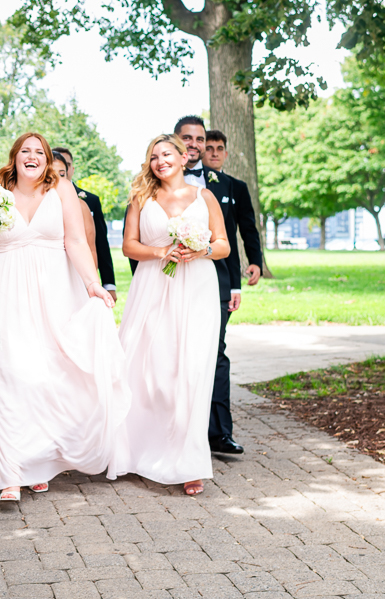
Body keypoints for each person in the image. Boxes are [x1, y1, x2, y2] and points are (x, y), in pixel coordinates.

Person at [0, 132, 128, 502]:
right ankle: (9, 473)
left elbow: (75, 241)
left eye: (39, 152)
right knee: (6, 378)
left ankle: (40, 462)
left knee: (48, 378)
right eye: (25, 151)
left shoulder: (62, 191)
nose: (32, 157)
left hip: (54, 295)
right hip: (4, 294)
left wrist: (93, 283)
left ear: (48, 161)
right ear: (13, 158)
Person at [116, 133, 230, 496]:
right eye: (153, 157)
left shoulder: (204, 196)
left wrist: (201, 249)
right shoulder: (141, 197)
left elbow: (224, 244)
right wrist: (161, 253)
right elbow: (129, 247)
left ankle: (189, 462)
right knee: (152, 371)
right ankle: (139, 450)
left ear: (184, 157)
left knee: (192, 372)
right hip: (152, 287)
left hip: (196, 287)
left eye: (166, 154)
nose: (160, 160)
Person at [179, 119, 262, 455]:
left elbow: (240, 231)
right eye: (188, 138)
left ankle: (218, 433)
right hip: (166, 282)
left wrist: (238, 281)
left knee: (215, 354)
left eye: (201, 139)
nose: (196, 145)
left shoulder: (225, 185)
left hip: (215, 281)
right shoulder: (153, 183)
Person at [53, 146, 117, 301]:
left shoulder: (86, 202)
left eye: (63, 172)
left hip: (77, 273)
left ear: (70, 170)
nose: (58, 178)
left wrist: (98, 282)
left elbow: (97, 245)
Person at [52, 151, 98, 270]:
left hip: (73, 271)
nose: (58, 179)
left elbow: (91, 250)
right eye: (51, 174)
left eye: (61, 174)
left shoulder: (81, 206)